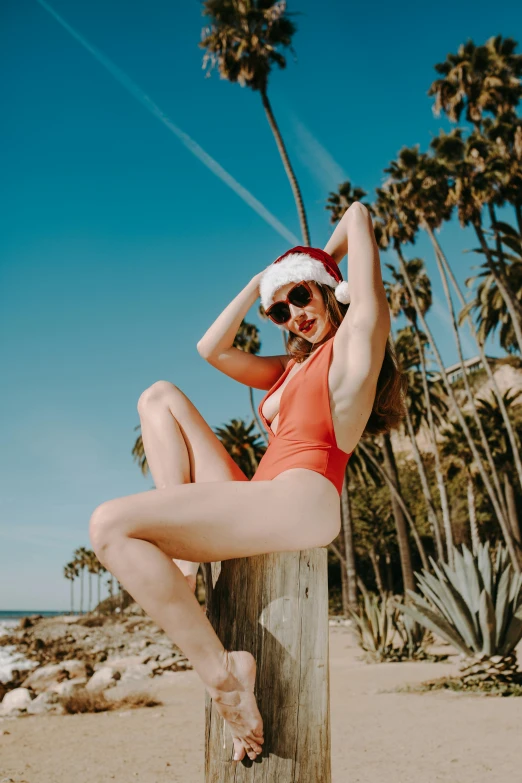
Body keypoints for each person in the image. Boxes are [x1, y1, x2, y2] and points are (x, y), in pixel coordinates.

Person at [88, 202, 404, 763]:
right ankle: (187, 565)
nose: (294, 315)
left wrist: (309, 264)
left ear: (330, 289)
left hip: (305, 494)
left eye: (301, 298)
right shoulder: (290, 367)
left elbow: (357, 214)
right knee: (158, 396)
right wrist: (266, 280)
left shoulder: (356, 342)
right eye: (281, 311)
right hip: (264, 493)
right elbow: (211, 350)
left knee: (110, 524)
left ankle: (225, 675)